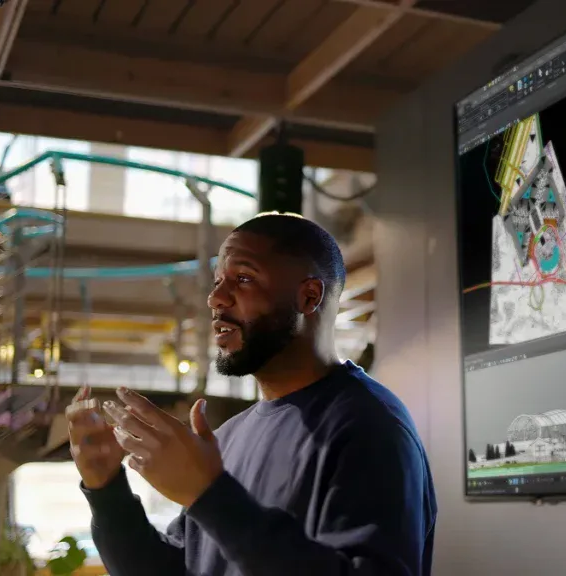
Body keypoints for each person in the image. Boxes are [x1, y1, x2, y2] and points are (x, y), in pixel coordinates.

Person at [66, 212, 437, 575]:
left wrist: (210, 496)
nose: (216, 300)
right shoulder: (227, 437)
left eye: (243, 279)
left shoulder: (370, 427)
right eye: (217, 282)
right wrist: (108, 491)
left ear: (308, 297)